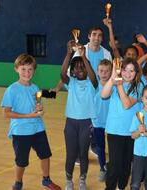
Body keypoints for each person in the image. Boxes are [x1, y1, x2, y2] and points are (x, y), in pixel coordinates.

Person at [1, 54, 61, 190]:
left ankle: (46, 180)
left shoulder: (35, 88)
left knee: (45, 155)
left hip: (38, 128)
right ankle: (18, 183)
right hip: (21, 131)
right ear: (16, 69)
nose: (27, 73)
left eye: (30, 70)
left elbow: (37, 107)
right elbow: (6, 113)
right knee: (21, 161)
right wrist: (28, 115)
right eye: (23, 69)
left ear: (34, 71)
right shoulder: (12, 90)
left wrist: (39, 109)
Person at [61, 41, 98, 190]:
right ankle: (68, 179)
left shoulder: (91, 84)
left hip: (86, 123)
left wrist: (83, 57)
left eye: (82, 66)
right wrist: (69, 53)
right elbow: (62, 73)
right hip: (70, 123)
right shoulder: (71, 83)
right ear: (73, 71)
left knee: (83, 153)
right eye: (76, 67)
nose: (80, 69)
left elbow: (93, 77)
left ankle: (82, 179)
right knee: (71, 154)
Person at [101, 58, 142, 190]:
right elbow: (103, 94)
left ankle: (121, 187)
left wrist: (118, 85)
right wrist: (113, 77)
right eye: (124, 70)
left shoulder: (138, 86)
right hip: (114, 131)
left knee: (125, 164)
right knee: (114, 164)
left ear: (136, 73)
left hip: (131, 132)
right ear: (120, 70)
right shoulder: (115, 83)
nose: (127, 73)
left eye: (131, 71)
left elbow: (127, 104)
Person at [130, 84, 147, 190]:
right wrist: (140, 132)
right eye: (146, 98)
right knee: (135, 182)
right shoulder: (138, 115)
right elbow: (132, 135)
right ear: (142, 98)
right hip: (139, 153)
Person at [91, 59, 112, 182]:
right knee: (100, 146)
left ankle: (113, 167)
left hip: (111, 122)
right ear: (97, 72)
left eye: (107, 71)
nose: (104, 73)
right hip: (97, 121)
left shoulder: (113, 86)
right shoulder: (94, 86)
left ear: (111, 72)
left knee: (113, 147)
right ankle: (102, 168)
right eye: (101, 71)